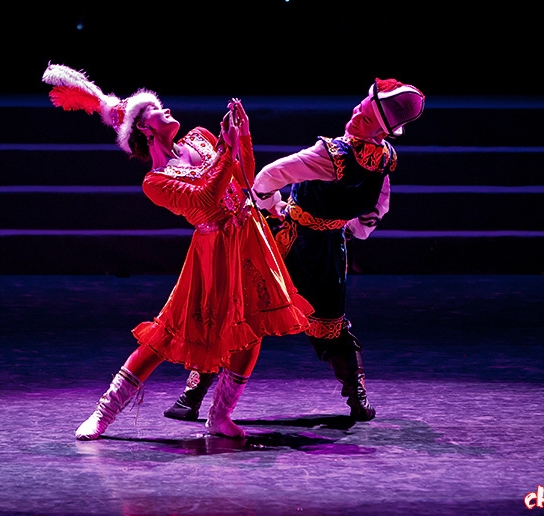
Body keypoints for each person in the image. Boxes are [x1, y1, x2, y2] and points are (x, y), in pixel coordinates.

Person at [41, 63, 312, 440]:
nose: (165, 108)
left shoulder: (200, 138)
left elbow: (244, 179)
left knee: (252, 327)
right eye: (155, 109)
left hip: (249, 239)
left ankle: (220, 415)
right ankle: (103, 414)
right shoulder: (156, 181)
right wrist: (228, 151)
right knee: (167, 334)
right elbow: (205, 201)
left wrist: (243, 137)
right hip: (214, 253)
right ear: (143, 127)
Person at [164, 78, 425, 423]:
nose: (355, 114)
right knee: (329, 324)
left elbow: (270, 175)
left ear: (380, 130)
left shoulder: (332, 154)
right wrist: (349, 229)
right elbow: (377, 207)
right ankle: (357, 398)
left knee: (242, 311)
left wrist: (271, 206)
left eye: (364, 117)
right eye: (359, 108)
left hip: (287, 243)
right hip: (329, 252)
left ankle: (192, 396)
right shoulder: (385, 159)